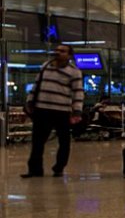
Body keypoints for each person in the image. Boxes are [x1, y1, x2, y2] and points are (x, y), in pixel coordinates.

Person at [22, 44, 84, 178]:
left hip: (61, 111)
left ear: (69, 55)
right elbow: (36, 85)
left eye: (62, 51)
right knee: (37, 141)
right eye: (57, 50)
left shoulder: (74, 71)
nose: (58, 52)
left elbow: (78, 93)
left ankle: (59, 168)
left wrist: (77, 111)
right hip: (42, 109)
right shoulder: (46, 66)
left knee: (64, 142)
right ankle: (35, 170)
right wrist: (30, 100)